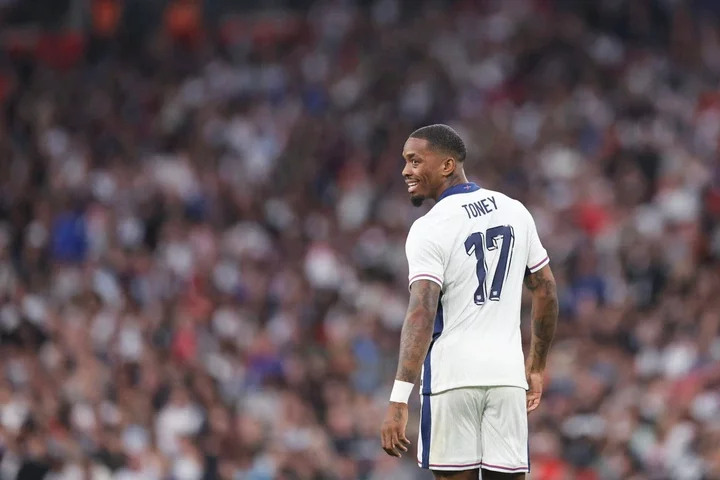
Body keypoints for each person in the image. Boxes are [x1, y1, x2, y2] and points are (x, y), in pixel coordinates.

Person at [380, 124, 559, 480]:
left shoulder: (430, 227)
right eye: (405, 161)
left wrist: (400, 398)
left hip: (452, 378)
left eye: (415, 160)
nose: (406, 170)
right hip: (507, 378)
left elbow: (421, 311)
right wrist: (536, 366)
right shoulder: (515, 211)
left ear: (447, 165)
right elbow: (546, 291)